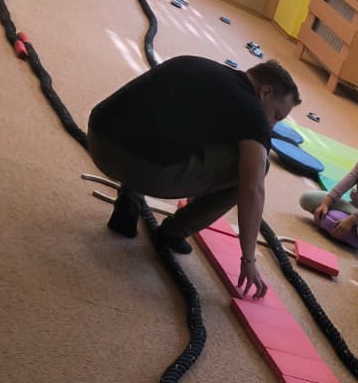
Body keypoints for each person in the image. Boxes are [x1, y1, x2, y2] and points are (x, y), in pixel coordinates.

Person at [87, 55, 300, 296]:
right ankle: (174, 231)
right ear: (266, 91)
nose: (271, 125)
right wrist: (248, 259)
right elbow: (253, 188)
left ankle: (129, 201)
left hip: (98, 140)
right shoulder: (253, 114)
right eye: (277, 115)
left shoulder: (196, 64)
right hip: (143, 169)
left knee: (162, 126)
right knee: (257, 167)